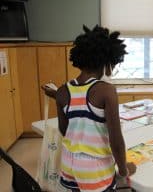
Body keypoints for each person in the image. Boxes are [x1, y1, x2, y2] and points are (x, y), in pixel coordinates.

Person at [45, 25, 136, 192]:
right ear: (107, 62)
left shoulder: (62, 90)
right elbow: (116, 140)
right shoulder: (106, 90)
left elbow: (64, 130)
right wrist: (123, 170)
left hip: (69, 165)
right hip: (95, 169)